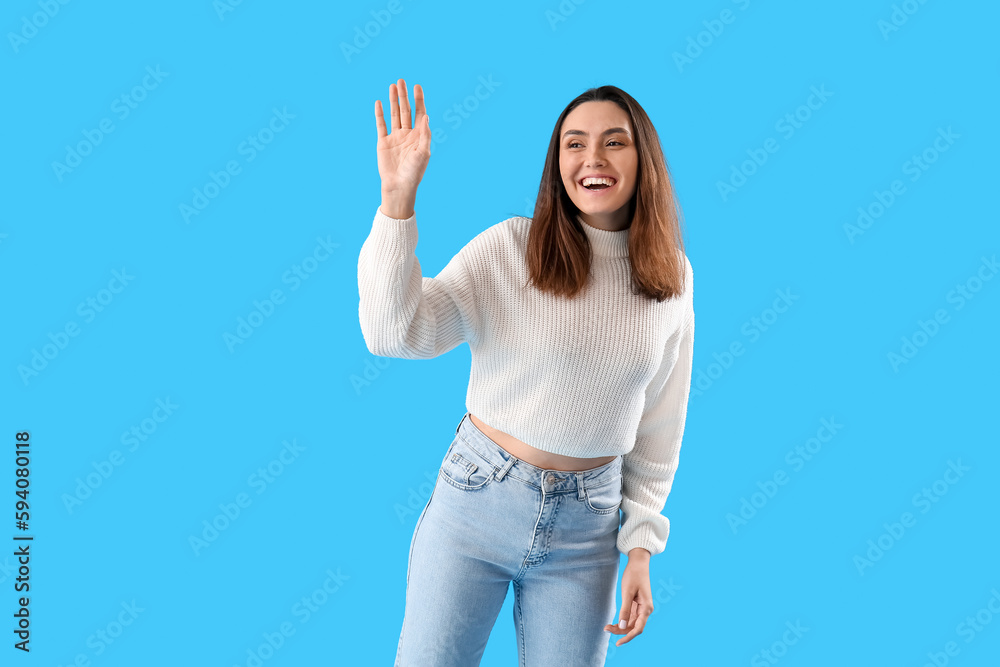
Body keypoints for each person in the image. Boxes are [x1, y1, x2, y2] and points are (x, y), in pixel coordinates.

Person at [359, 77, 694, 666]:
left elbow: (660, 427)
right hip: (477, 502)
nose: (592, 158)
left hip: (588, 531)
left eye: (614, 142)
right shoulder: (511, 248)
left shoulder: (671, 278)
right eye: (574, 143)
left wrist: (640, 547)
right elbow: (395, 334)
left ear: (644, 160)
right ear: (556, 162)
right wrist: (397, 204)